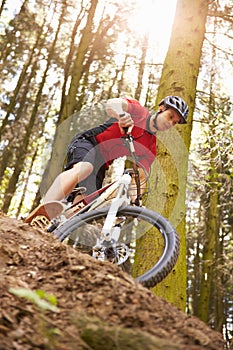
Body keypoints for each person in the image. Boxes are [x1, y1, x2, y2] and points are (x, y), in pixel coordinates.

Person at [26, 95, 188, 223]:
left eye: (175, 122)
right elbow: (112, 104)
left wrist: (135, 201)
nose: (171, 123)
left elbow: (141, 178)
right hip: (88, 142)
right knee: (84, 168)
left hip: (102, 164)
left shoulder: (150, 146)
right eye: (170, 116)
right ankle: (42, 211)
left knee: (83, 206)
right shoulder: (139, 112)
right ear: (161, 108)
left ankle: (52, 230)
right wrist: (122, 114)